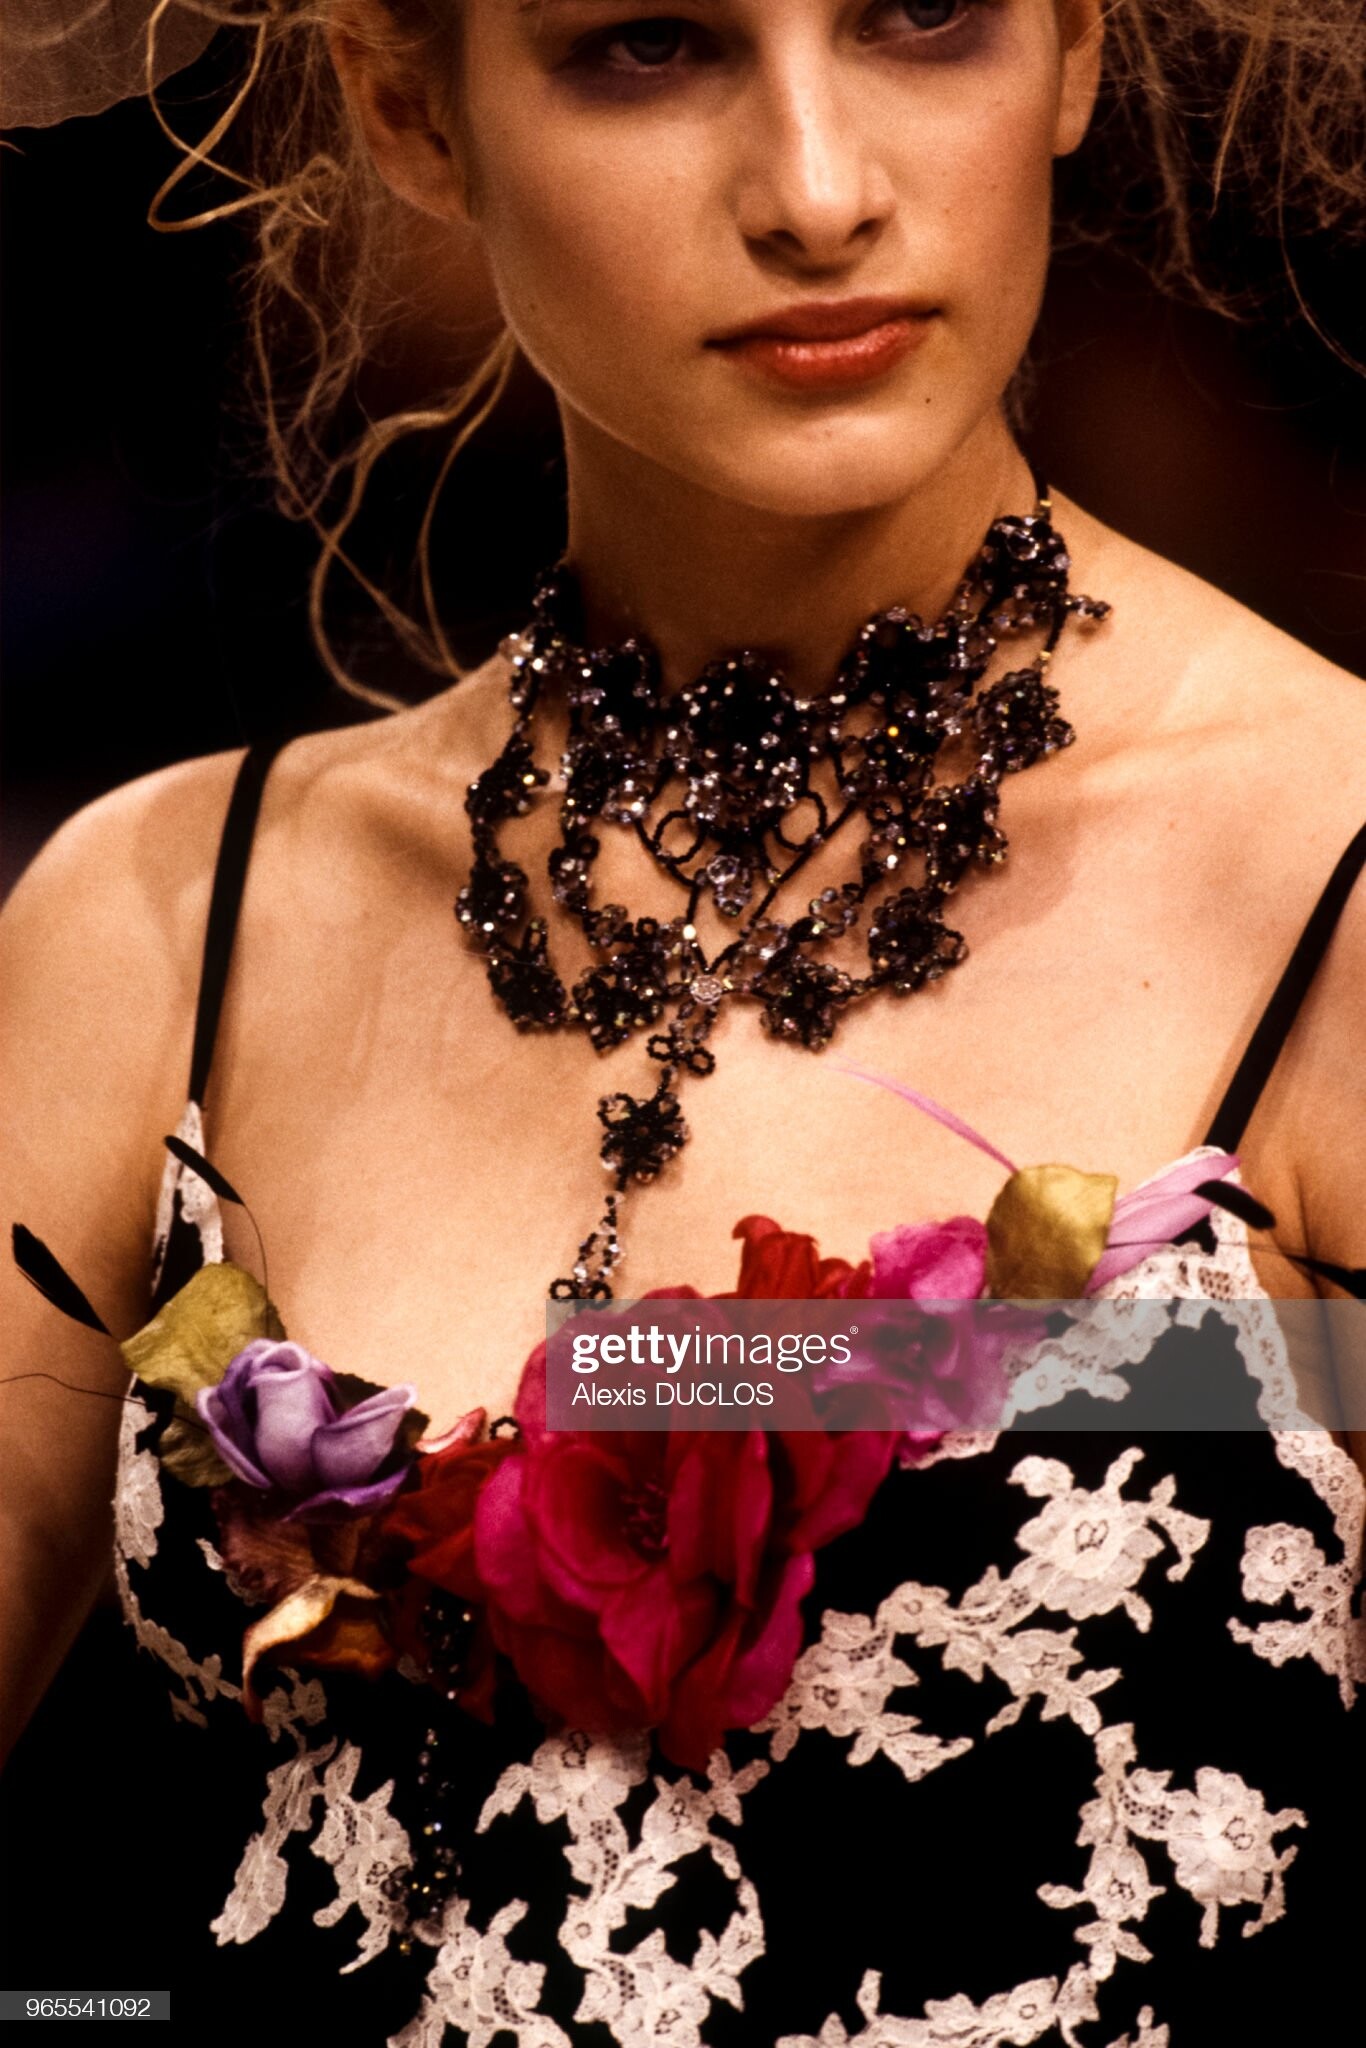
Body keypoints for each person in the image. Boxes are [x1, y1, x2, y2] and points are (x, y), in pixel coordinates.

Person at [1, 2, 1363, 2040]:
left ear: (1075, 45)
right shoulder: (158, 929)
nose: (816, 190)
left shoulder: (1329, 887)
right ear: (410, 107)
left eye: (922, 15)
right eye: (647, 46)